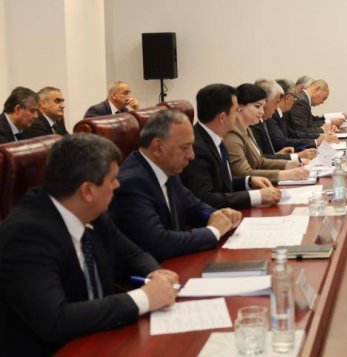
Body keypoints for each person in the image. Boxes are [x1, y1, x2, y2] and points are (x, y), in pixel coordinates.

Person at [0, 134, 179, 354]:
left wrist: (155, 274)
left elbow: (133, 256)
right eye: (112, 179)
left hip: (102, 338)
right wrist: (144, 298)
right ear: (87, 191)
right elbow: (55, 320)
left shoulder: (93, 214)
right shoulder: (25, 235)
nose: (118, 185)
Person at [111, 109, 242, 261]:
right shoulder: (132, 183)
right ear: (157, 147)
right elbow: (158, 243)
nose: (191, 155)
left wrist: (218, 215)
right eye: (184, 147)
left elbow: (195, 208)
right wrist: (213, 231)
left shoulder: (167, 169)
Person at [180, 85, 284, 210]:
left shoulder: (215, 138)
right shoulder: (197, 147)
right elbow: (207, 198)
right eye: (236, 111)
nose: (237, 116)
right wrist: (256, 196)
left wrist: (249, 181)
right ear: (222, 117)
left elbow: (224, 183)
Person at [223, 84, 311, 184]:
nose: (261, 112)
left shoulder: (247, 129)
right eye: (257, 106)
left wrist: (290, 164)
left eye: (263, 107)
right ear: (239, 106)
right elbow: (243, 173)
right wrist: (287, 174)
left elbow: (260, 162)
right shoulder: (232, 133)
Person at [252, 79, 317, 161]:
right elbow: (279, 143)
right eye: (276, 102)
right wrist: (296, 156)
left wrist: (278, 154)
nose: (277, 107)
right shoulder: (263, 120)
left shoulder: (269, 117)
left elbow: (291, 134)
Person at [267, 79, 336, 152]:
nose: (295, 100)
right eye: (295, 97)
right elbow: (282, 142)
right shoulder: (271, 116)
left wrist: (319, 137)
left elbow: (293, 134)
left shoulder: (281, 114)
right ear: (288, 98)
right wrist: (315, 141)